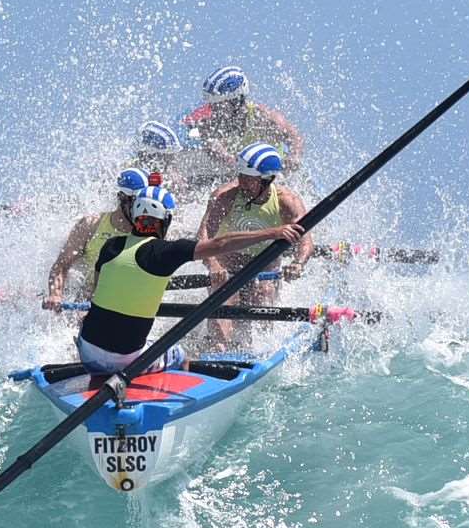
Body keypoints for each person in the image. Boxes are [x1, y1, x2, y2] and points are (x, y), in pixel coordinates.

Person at [75, 184, 304, 376]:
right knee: (182, 356)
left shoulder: (110, 246)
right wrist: (273, 233)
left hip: (87, 353)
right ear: (164, 220)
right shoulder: (166, 252)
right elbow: (220, 244)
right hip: (126, 361)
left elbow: (97, 290)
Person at [196, 142, 312, 343]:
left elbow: (306, 241)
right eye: (240, 175)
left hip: (265, 263)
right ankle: (217, 346)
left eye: (248, 179)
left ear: (267, 180)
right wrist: (213, 263)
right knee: (222, 300)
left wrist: (298, 264)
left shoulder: (287, 201)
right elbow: (203, 236)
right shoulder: (225, 197)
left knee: (264, 293)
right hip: (227, 261)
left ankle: (261, 346)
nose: (241, 182)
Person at [43, 168, 147, 310]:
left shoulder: (150, 230)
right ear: (122, 198)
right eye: (139, 203)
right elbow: (61, 265)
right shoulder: (90, 225)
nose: (144, 211)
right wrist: (56, 295)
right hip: (89, 299)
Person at [180, 65, 305, 179]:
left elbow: (295, 138)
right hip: (245, 181)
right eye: (212, 105)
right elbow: (221, 155)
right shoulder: (210, 127)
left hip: (278, 176)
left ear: (237, 101)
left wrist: (294, 156)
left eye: (219, 105)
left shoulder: (262, 117)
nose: (213, 110)